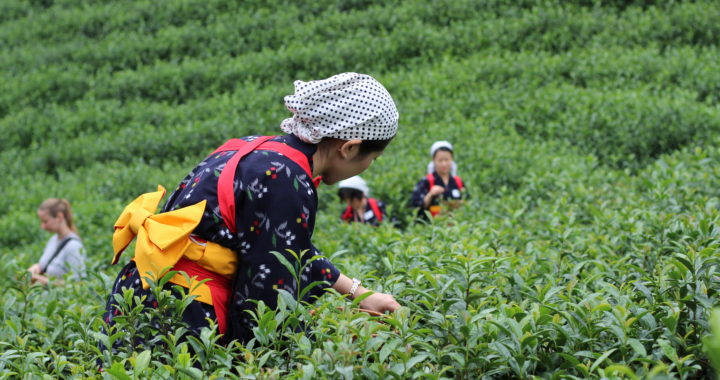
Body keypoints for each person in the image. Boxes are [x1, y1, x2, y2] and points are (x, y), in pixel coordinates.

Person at [103, 72, 401, 344]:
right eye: (372, 159)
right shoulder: (285, 179)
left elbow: (288, 249)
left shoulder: (258, 149)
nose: (366, 167)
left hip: (143, 292)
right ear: (348, 147)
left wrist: (358, 293)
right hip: (183, 315)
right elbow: (265, 299)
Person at [27, 198, 85, 285]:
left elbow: (77, 284)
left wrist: (41, 280)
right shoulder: (53, 240)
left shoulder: (74, 246)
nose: (42, 226)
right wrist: (36, 267)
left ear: (59, 217)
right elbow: (48, 265)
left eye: (45, 221)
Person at [410, 140, 465, 219]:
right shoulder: (426, 181)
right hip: (433, 226)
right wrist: (430, 194)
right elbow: (415, 208)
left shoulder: (458, 182)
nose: (444, 164)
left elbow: (467, 204)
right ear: (433, 160)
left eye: (447, 160)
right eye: (440, 160)